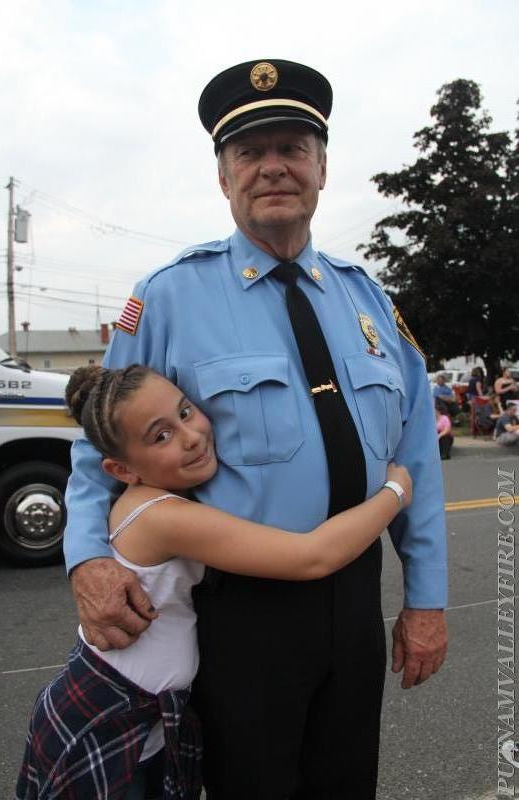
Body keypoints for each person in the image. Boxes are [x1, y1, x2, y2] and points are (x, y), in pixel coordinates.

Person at [63, 59, 448, 799]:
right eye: (250, 152)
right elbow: (98, 442)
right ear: (223, 176)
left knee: (346, 783)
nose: (273, 166)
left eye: (292, 147)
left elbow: (412, 455)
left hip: (354, 606)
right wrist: (88, 560)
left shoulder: (368, 300)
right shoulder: (169, 296)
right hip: (241, 613)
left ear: (322, 168)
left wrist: (425, 598)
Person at [16, 364, 412, 800]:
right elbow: (312, 557)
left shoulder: (162, 499)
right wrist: (394, 493)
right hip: (110, 713)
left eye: (185, 412)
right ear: (121, 469)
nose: (189, 436)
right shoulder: (160, 517)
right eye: (160, 436)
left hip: (143, 713)